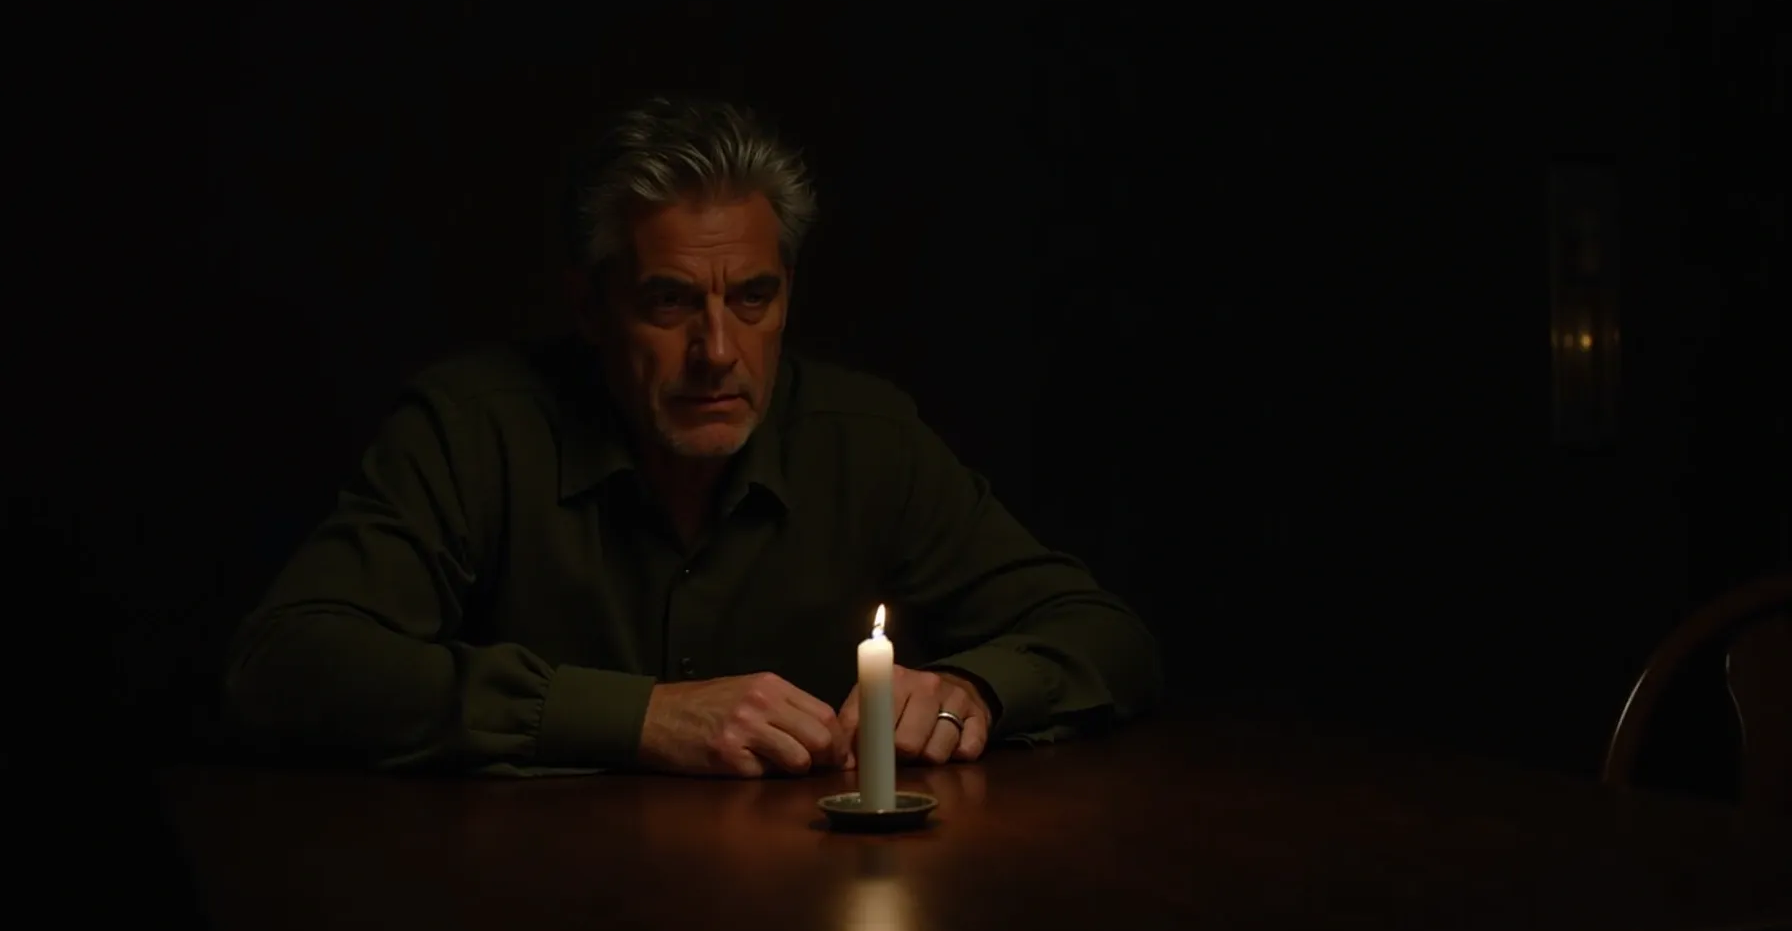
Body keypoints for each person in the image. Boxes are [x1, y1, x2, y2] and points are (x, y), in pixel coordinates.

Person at [223, 95, 1161, 777]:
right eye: (670, 302)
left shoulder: (867, 439)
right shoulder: (473, 429)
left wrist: (976, 690)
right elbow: (286, 666)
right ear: (591, 308)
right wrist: (637, 717)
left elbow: (1105, 634)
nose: (717, 352)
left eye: (753, 298)